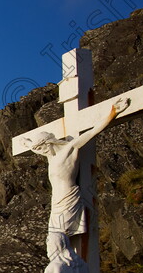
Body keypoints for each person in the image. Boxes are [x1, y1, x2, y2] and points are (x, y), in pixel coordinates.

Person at [24, 97, 130, 259]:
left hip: (69, 199)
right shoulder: (50, 158)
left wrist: (112, 113)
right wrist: (28, 144)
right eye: (39, 149)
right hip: (56, 203)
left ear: (50, 143)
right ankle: (61, 271)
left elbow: (92, 132)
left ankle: (67, 268)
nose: (41, 151)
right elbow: (35, 147)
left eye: (42, 147)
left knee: (62, 237)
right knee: (52, 240)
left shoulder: (69, 149)